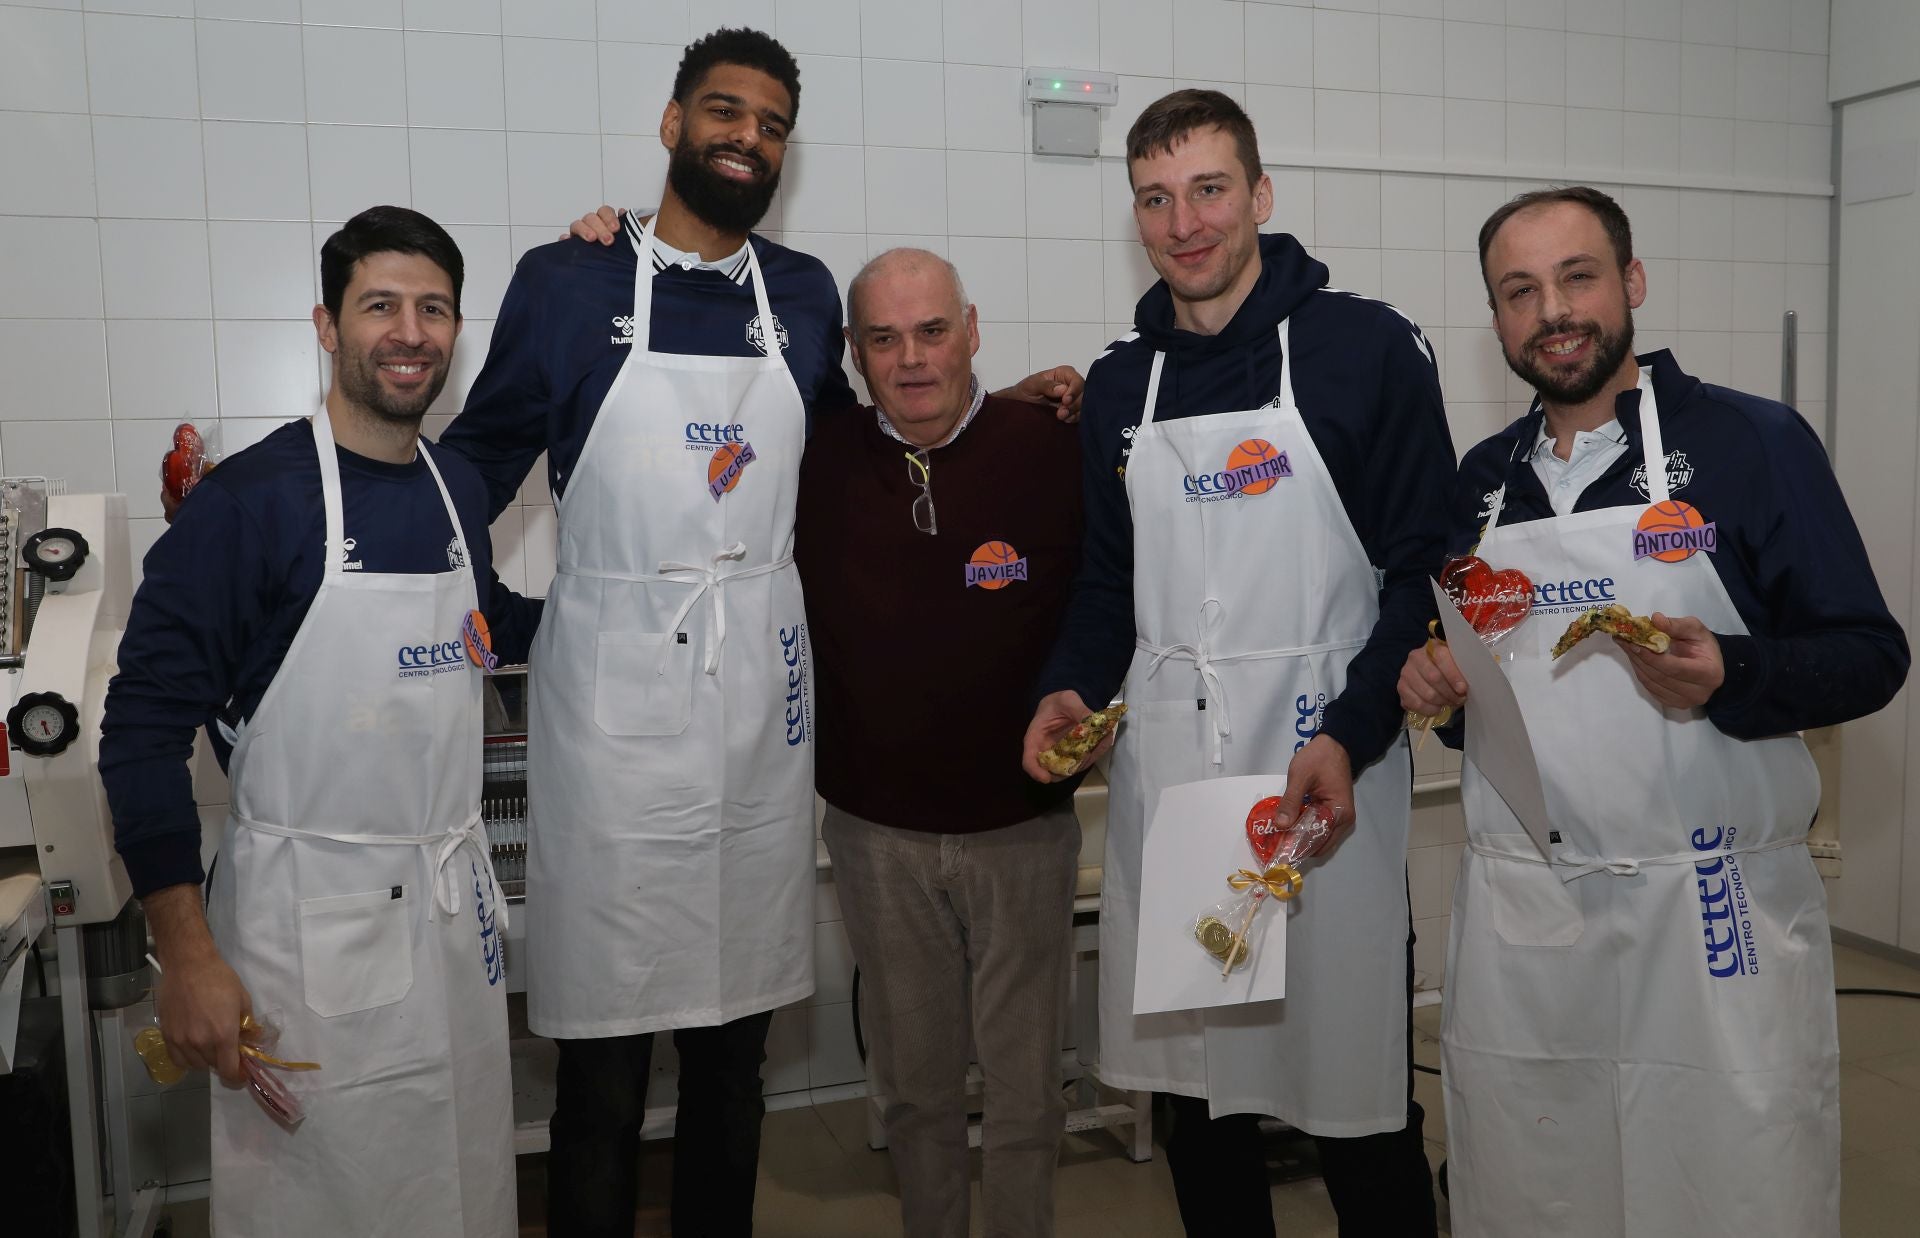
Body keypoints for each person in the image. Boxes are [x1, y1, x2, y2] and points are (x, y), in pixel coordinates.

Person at [445, 28, 1081, 1237]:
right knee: (605, 1068)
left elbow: (866, 441)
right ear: (674, 124)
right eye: (725, 112)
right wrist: (515, 616)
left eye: (772, 123)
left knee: (732, 1058)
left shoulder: (800, 296)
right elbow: (473, 469)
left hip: (754, 722)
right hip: (613, 717)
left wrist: (1007, 408)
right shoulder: (567, 280)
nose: (748, 137)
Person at [1397, 186, 1908, 1237]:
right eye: (1519, 291)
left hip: (1711, 915)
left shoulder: (1752, 445)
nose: (1554, 312)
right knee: (1539, 1184)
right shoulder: (1482, 486)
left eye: (1577, 277)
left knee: (1727, 1188)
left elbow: (1869, 655)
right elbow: (1486, 704)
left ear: (1630, 283)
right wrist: (1439, 689)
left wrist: (1732, 670)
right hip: (1529, 919)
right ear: (1496, 319)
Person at [1021, 89, 1450, 1236]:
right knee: (1202, 1107)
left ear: (1259, 195)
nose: (1185, 221)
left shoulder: (1366, 348)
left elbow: (1421, 572)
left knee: (1357, 1100)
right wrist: (1069, 684)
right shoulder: (1123, 387)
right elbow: (1110, 585)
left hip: (1327, 767)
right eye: (1156, 199)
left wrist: (1351, 731)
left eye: (1209, 189)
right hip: (1182, 778)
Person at [100, 206, 540, 1238]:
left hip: (446, 923)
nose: (410, 330)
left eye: (434, 308)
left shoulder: (458, 487)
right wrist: (191, 956)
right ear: (327, 325)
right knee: (322, 1202)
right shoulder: (250, 505)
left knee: (462, 1183)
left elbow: (492, 624)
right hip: (308, 939)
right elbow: (139, 732)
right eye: (379, 303)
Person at [796, 248, 1084, 1238]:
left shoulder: (1052, 446)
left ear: (971, 329)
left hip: (1024, 827)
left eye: (930, 332)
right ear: (855, 351)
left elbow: (1109, 596)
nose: (910, 358)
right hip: (878, 834)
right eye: (883, 338)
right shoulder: (818, 459)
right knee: (914, 1092)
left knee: (1024, 1095)